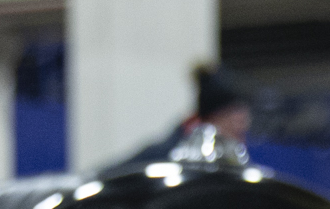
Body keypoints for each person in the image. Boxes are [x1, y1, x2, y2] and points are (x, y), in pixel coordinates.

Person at [101, 64, 254, 175]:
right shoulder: (163, 156)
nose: (243, 127)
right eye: (235, 121)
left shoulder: (237, 159)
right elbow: (107, 175)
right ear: (213, 119)